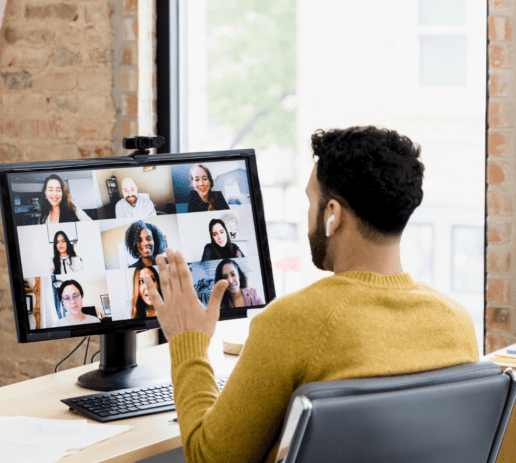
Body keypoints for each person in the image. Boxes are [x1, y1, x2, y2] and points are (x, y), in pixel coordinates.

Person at [144, 126, 478, 463]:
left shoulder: (292, 321)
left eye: (310, 201)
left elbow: (210, 458)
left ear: (333, 215)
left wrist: (188, 340)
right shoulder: (456, 322)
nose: (307, 216)